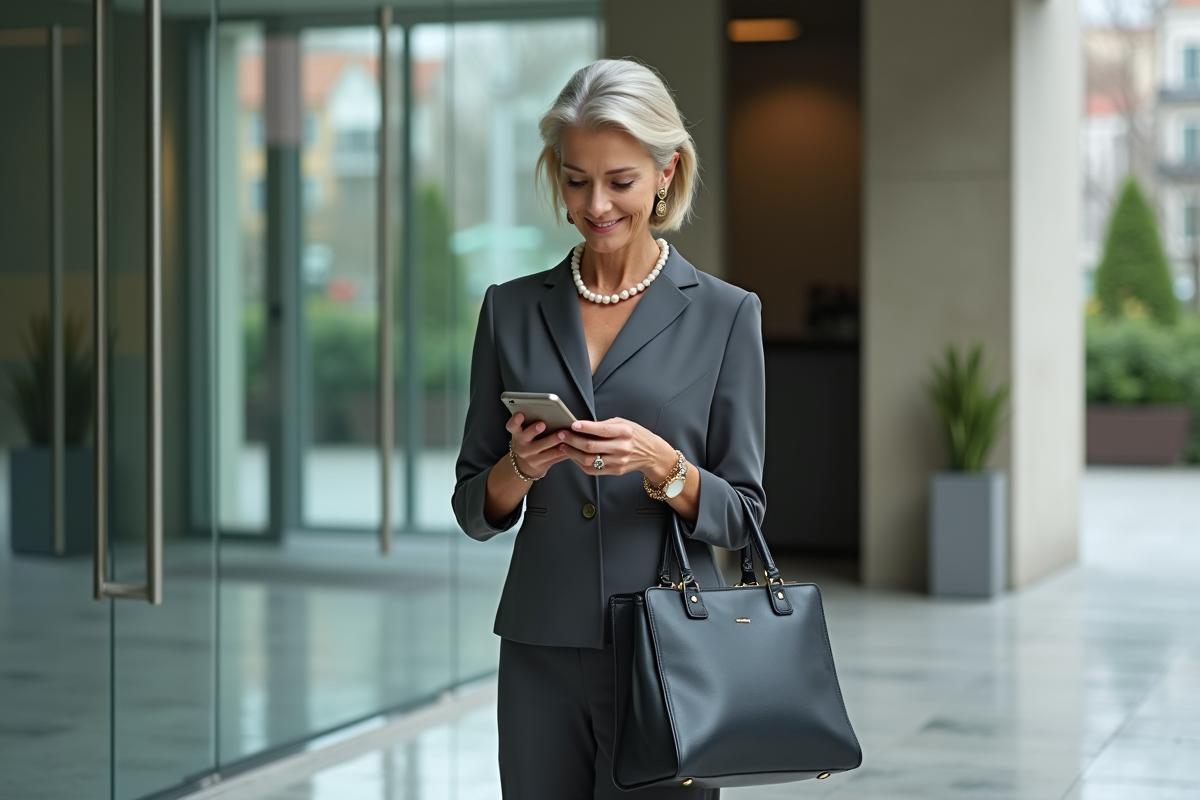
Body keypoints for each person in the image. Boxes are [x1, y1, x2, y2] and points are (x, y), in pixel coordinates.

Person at [452, 58, 766, 799]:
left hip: (669, 645)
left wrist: (665, 466)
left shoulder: (726, 315)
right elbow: (473, 506)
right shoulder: (509, 309)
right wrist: (519, 469)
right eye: (575, 179)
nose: (596, 204)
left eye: (619, 180)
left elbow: (743, 517)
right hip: (540, 645)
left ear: (666, 172)